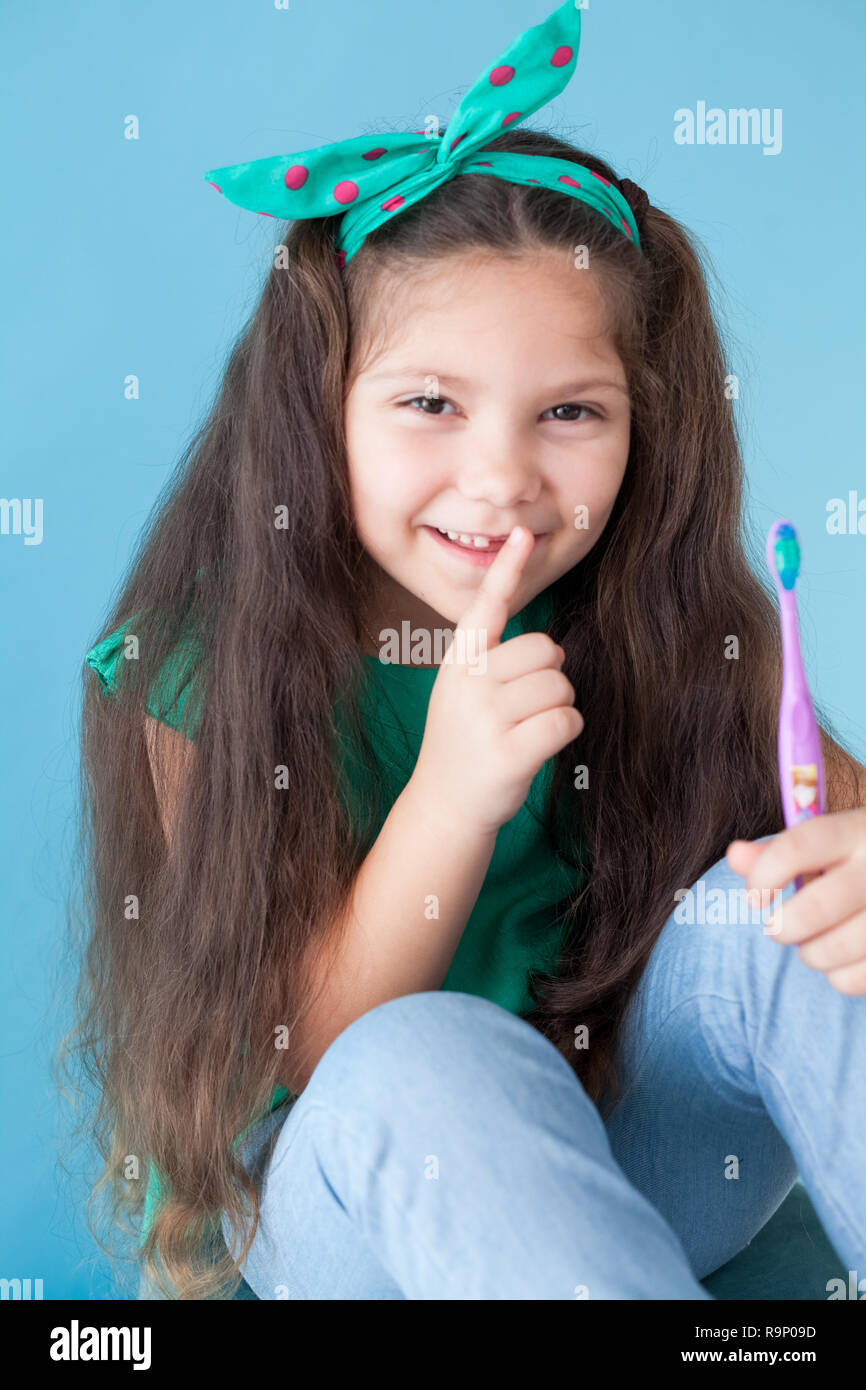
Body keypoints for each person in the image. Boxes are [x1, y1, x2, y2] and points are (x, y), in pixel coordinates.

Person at [72, 2, 866, 1300]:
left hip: (634, 1174)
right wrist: (451, 788)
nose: (499, 477)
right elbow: (325, 1045)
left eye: (568, 411)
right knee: (424, 1049)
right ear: (317, 413)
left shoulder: (661, 617)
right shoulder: (199, 670)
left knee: (781, 918)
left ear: (641, 429)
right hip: (361, 1204)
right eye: (429, 403)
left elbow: (834, 836)